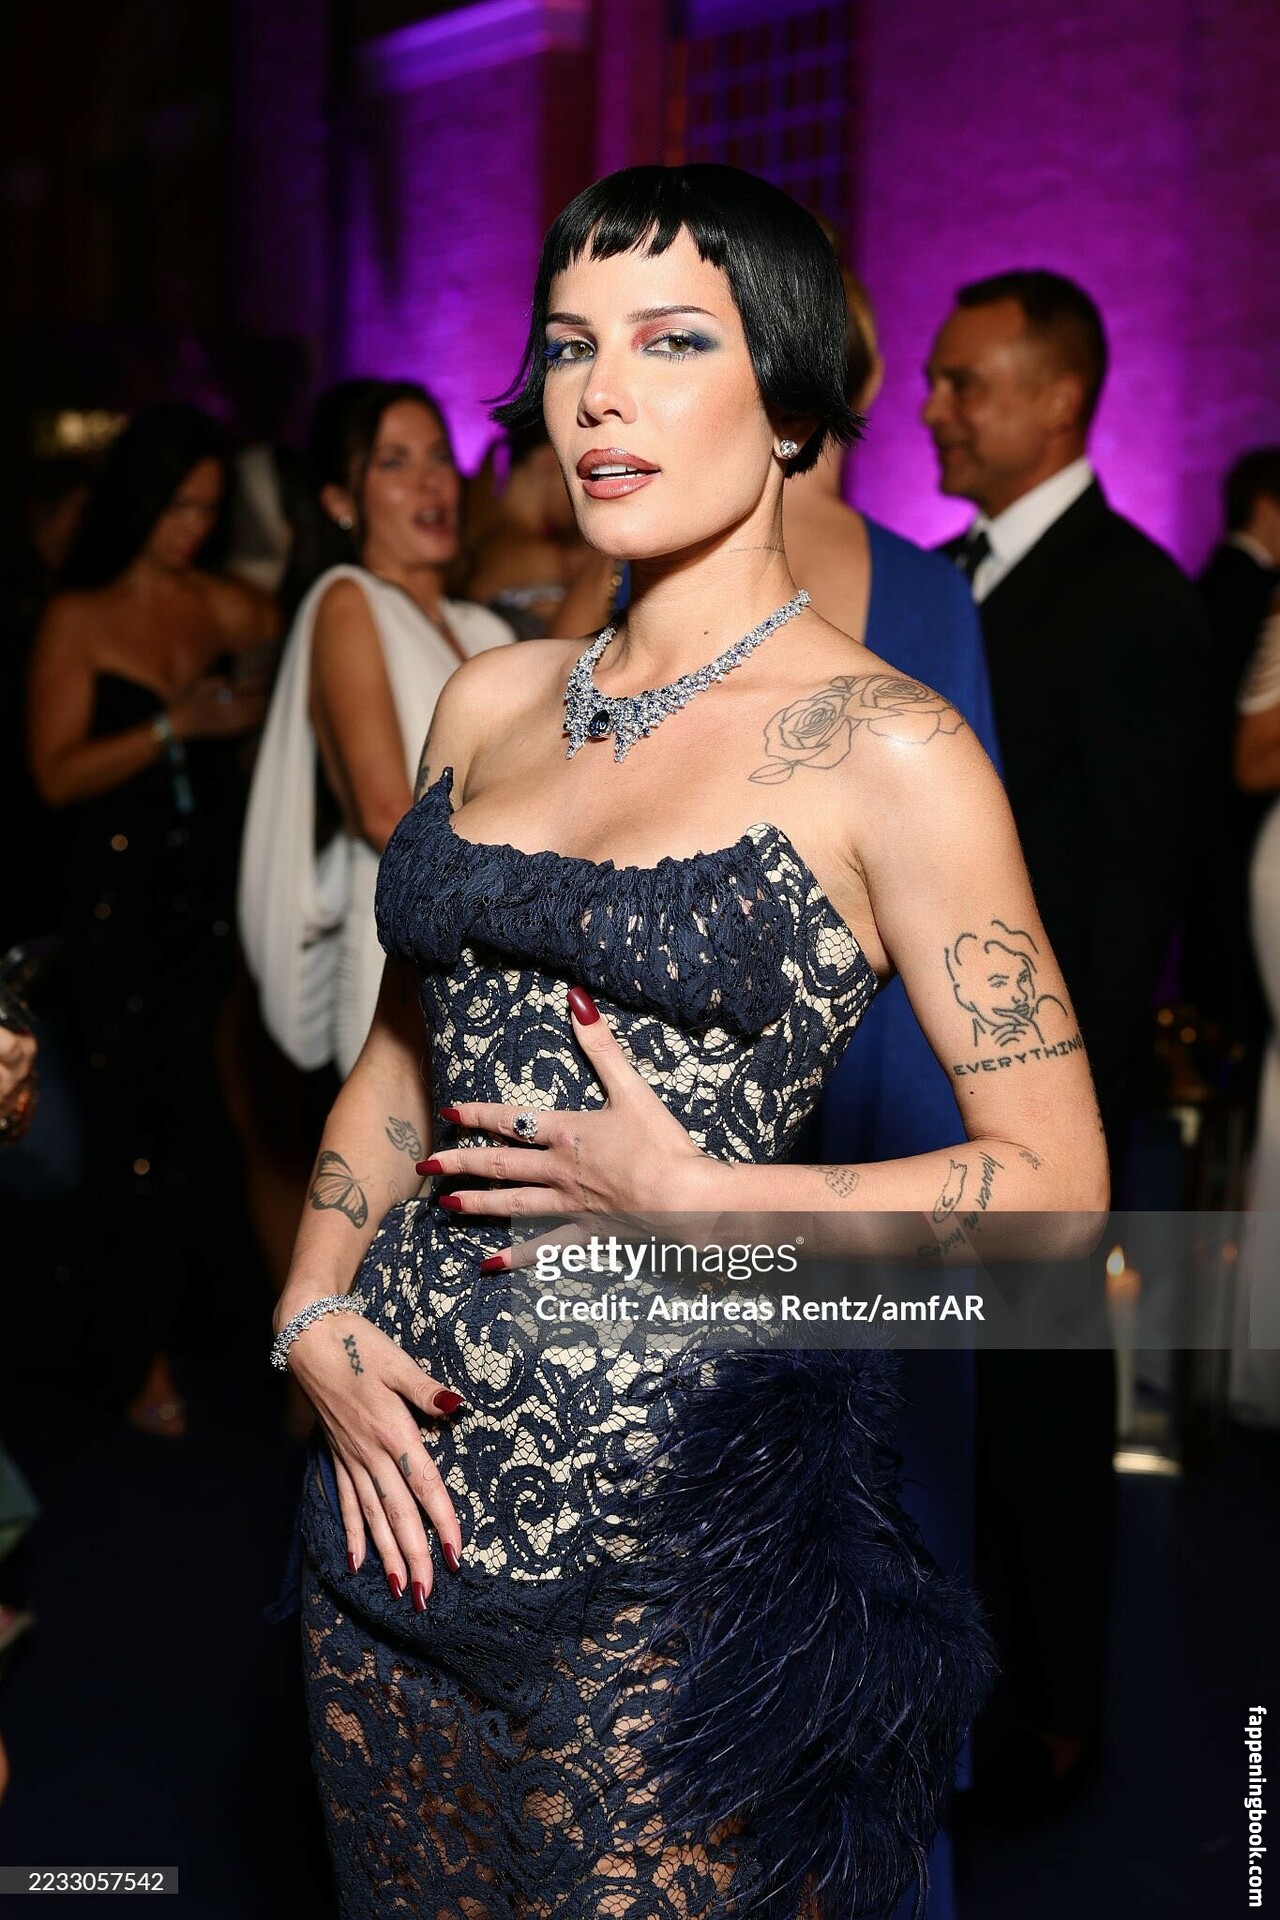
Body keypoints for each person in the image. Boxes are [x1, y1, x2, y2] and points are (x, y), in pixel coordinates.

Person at [275, 165, 1106, 1917]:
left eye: (669, 342)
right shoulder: (488, 698)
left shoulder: (889, 748)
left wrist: (704, 1202)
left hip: (672, 1572)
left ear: (791, 401)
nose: (599, 393)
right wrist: (309, 1309)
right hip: (387, 1519)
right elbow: (399, 1065)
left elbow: (1056, 1192)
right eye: (571, 345)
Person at [923, 268, 1211, 1820]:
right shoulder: (936, 583)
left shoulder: (1137, 602)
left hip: (1038, 1101)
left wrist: (1047, 1127)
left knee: (1040, 1408)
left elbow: (1124, 901)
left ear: (1059, 399)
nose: (933, 409)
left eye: (964, 382)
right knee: (936, 1408)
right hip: (920, 1083)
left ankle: (1058, 1722)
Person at [27, 404, 275, 1436]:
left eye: (207, 510)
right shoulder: (80, 617)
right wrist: (175, 724)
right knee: (129, 1121)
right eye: (176, 507)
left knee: (215, 1116)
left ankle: (222, 1328)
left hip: (213, 893)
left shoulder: (235, 606)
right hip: (115, 901)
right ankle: (135, 1354)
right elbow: (54, 775)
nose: (191, 528)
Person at [240, 380, 512, 1086]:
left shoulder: (484, 628)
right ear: (341, 501)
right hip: (401, 953)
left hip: (496, 950)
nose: (430, 481)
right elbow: (383, 811)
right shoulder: (348, 599)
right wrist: (533, 900)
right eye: (394, 462)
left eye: (438, 455)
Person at [1186, 449, 1280, 1056]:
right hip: (1243, 832)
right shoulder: (1260, 594)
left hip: (1205, 830)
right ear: (1266, 507)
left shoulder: (1206, 584)